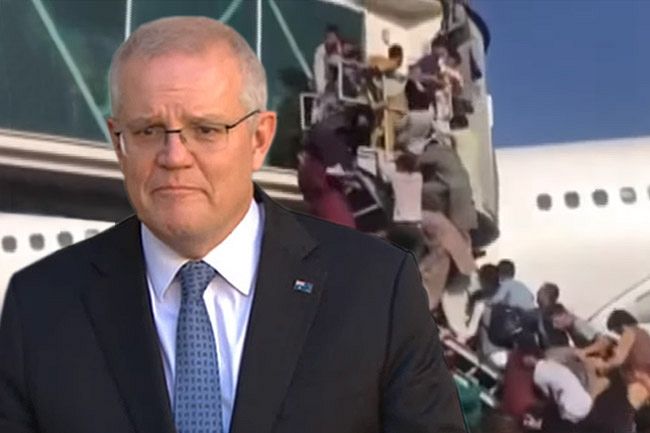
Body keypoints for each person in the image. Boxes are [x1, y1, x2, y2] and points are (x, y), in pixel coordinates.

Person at [0, 17, 466, 433]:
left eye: (205, 130)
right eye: (147, 131)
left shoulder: (376, 291)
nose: (174, 157)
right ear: (118, 142)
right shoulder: (40, 307)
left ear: (259, 139)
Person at [602, 309, 650, 410]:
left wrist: (604, 366)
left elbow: (618, 359)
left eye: (615, 330)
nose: (617, 333)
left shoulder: (629, 333)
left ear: (621, 325)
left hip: (641, 381)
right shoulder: (642, 332)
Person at [313, 24, 341, 94]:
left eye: (334, 38)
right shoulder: (322, 51)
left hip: (327, 85)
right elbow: (327, 70)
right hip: (324, 87)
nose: (333, 40)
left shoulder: (336, 47)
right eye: (330, 38)